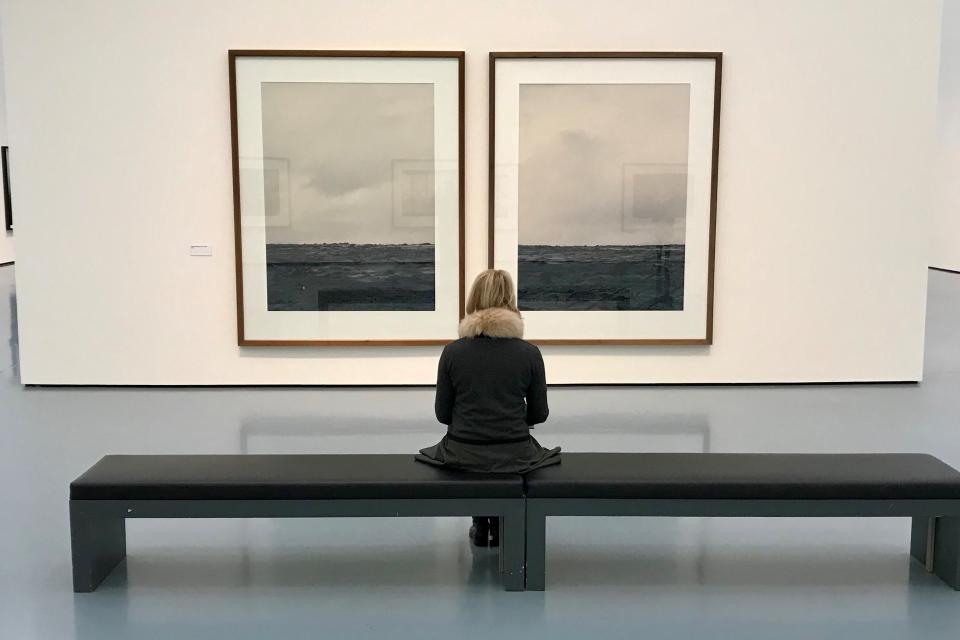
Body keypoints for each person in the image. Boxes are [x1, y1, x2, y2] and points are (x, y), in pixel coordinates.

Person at [416, 269, 560, 546]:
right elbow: (539, 414)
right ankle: (501, 521)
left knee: (469, 454)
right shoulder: (529, 353)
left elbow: (442, 414)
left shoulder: (453, 352)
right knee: (524, 456)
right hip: (514, 450)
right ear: (511, 303)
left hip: (463, 450)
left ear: (472, 302)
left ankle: (481, 521)